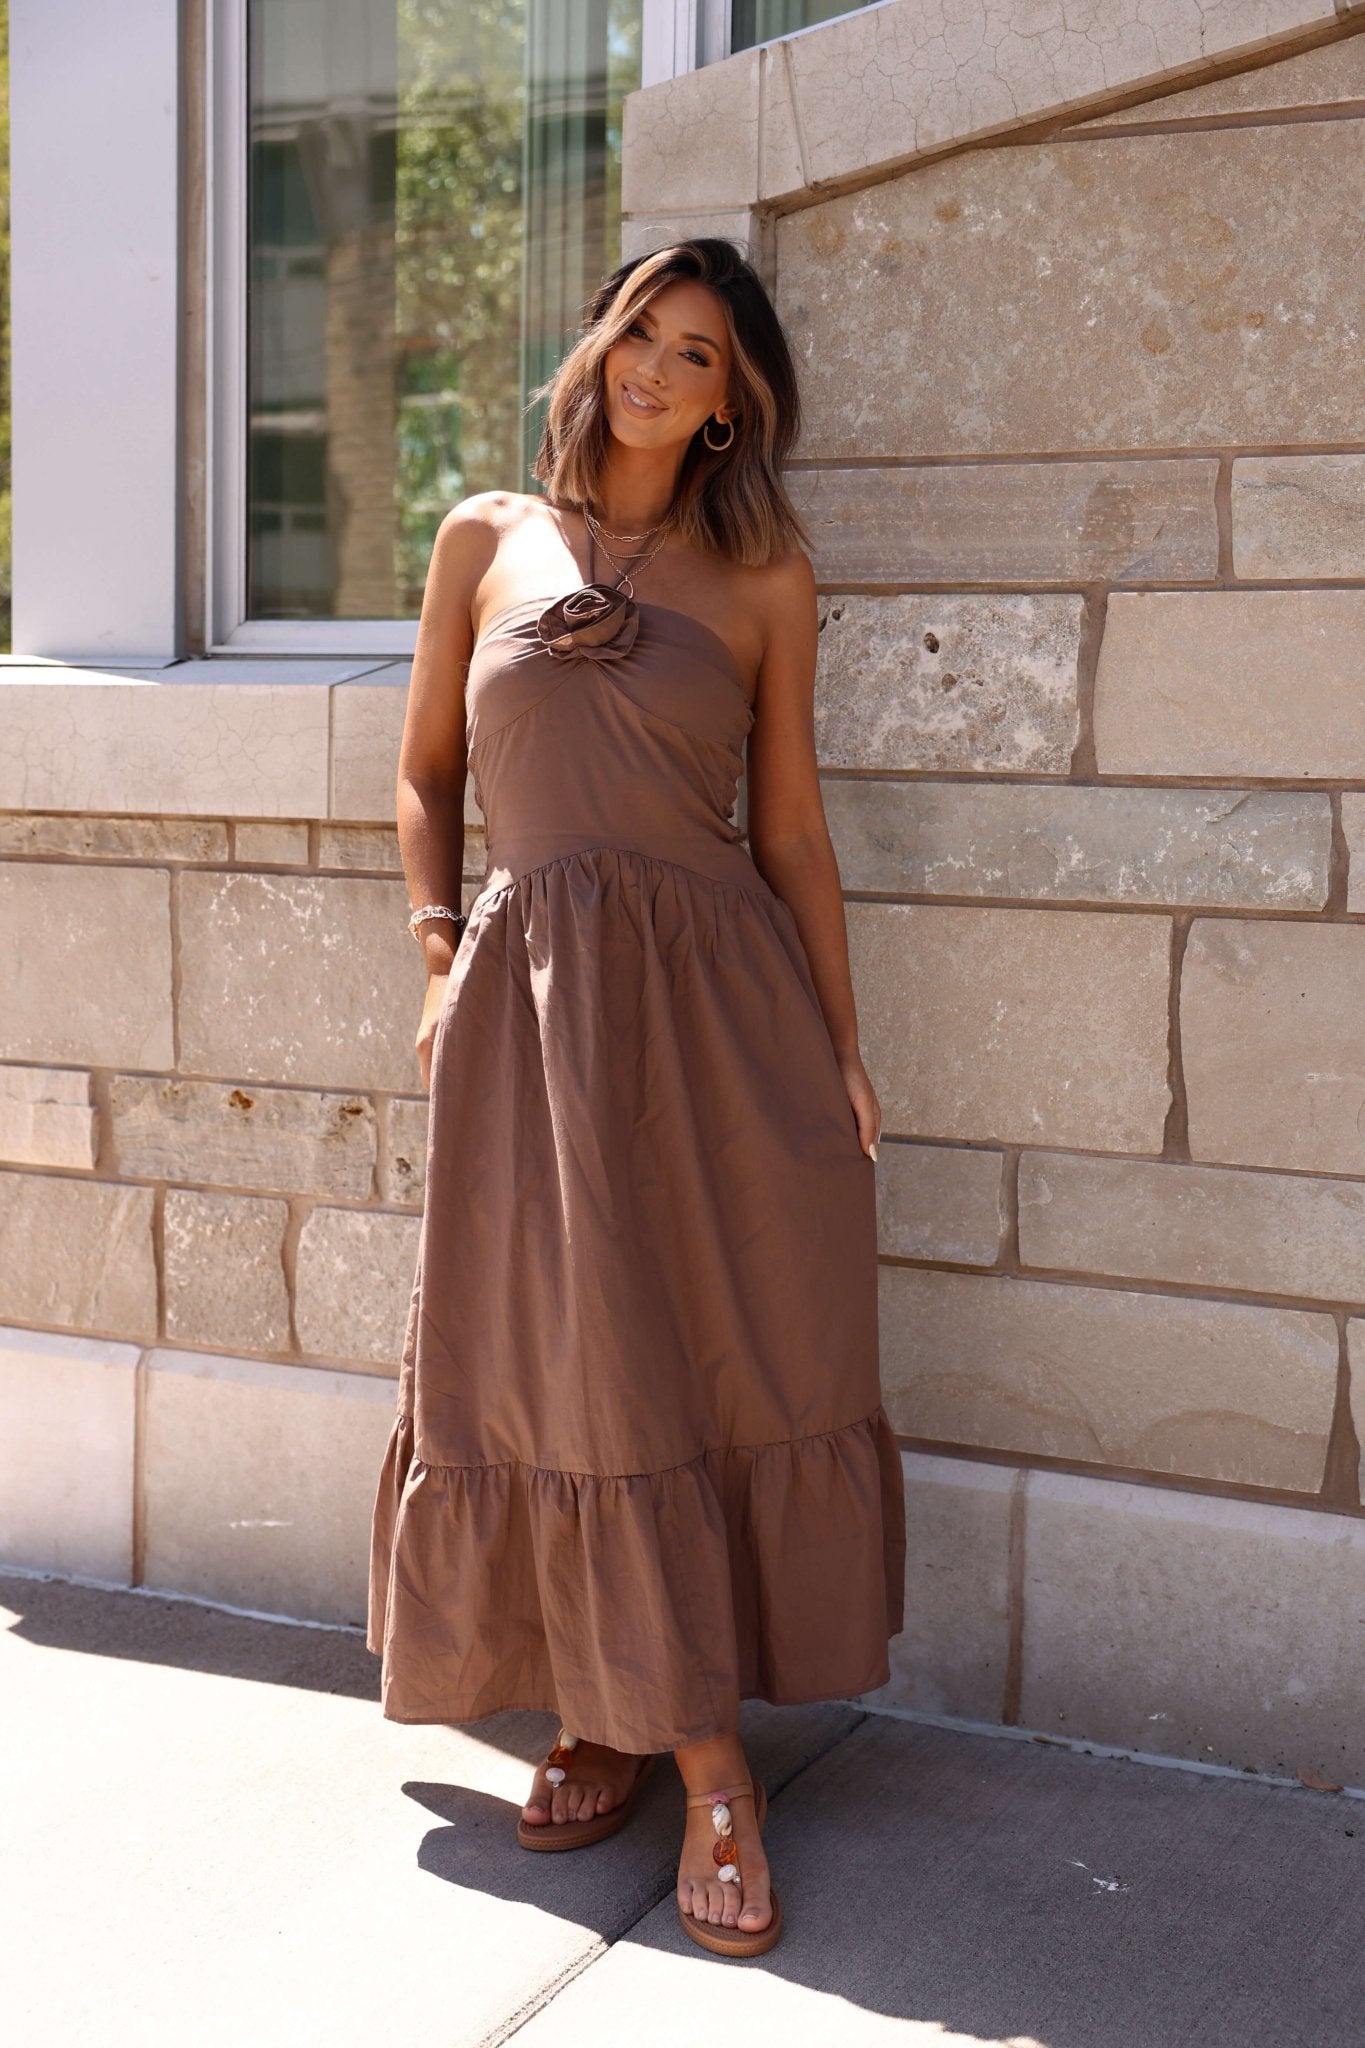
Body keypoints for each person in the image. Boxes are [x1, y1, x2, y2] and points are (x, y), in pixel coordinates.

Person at [368, 237, 906, 1961]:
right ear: (595, 343)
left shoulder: (763, 583)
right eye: (636, 334)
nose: (652, 370)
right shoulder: (482, 541)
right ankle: (618, 1712)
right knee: (557, 1354)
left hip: (714, 1020)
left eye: (695, 355)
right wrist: (440, 956)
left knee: (702, 1347)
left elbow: (795, 834)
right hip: (529, 1018)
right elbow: (424, 772)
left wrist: (837, 1043)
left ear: (732, 406)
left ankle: (698, 1757)